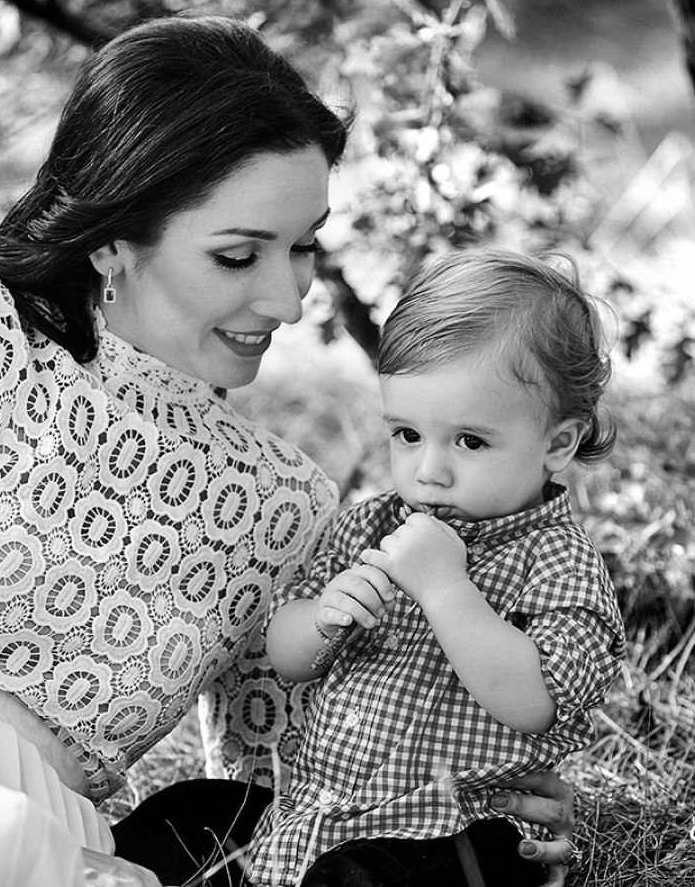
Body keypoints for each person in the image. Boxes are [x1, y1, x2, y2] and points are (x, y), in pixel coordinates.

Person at [0, 14, 577, 887]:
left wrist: (481, 800)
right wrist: (4, 819)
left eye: (302, 248)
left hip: (60, 850)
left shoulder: (279, 504)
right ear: (113, 237)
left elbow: (287, 786)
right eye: (238, 254)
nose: (288, 301)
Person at [247, 249, 626, 887]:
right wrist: (326, 615)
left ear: (558, 444)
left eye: (470, 441)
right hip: (327, 811)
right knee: (186, 814)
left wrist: (447, 589)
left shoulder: (557, 563)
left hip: (463, 828)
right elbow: (285, 655)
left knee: (357, 880)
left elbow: (535, 702)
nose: (429, 471)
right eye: (407, 434)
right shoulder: (369, 526)